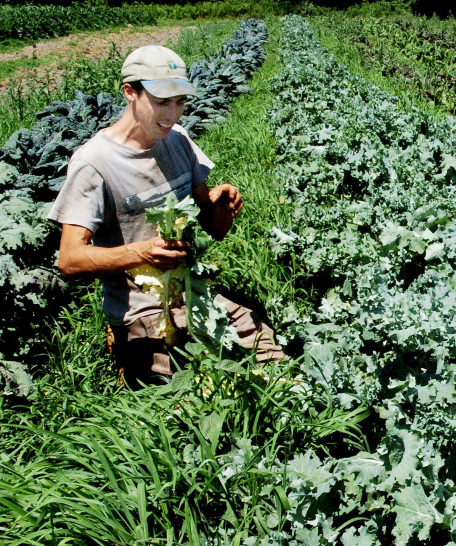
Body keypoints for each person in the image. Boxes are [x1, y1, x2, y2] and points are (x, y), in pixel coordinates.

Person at [47, 44, 284, 388]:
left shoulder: (179, 141)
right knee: (181, 402)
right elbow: (69, 260)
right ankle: (122, 348)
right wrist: (142, 252)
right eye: (161, 102)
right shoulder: (94, 163)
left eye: (180, 102)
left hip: (194, 294)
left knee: (271, 361)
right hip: (141, 311)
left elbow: (214, 229)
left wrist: (222, 205)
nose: (173, 115)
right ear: (130, 92)